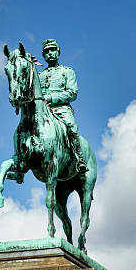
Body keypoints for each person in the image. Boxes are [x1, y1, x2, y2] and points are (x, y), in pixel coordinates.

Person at [39, 39, 87, 173]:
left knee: (71, 127)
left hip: (62, 109)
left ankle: (79, 158)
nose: (50, 53)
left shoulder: (67, 71)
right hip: (43, 111)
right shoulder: (40, 76)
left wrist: (51, 98)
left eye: (52, 50)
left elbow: (72, 93)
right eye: (47, 51)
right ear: (43, 55)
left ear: (58, 52)